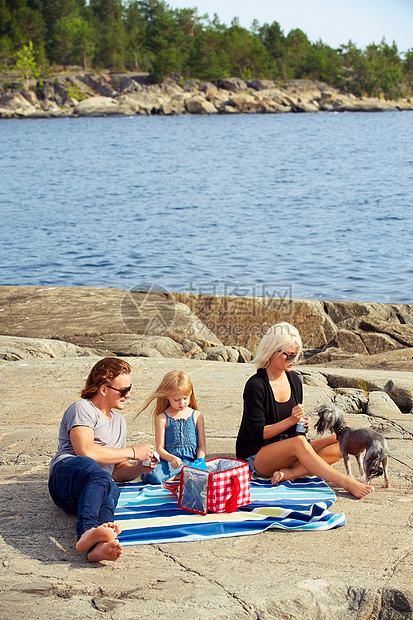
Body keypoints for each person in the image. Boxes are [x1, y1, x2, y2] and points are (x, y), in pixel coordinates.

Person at [236, 323, 374, 499]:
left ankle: (291, 474)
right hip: (257, 455)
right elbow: (256, 434)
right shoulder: (256, 385)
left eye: (296, 355)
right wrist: (291, 422)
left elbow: (293, 429)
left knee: (344, 439)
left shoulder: (294, 379)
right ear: (272, 351)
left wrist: (301, 424)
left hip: (288, 445)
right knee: (299, 443)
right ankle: (346, 482)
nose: (293, 360)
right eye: (289, 355)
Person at [48, 357, 156, 562]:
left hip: (88, 495)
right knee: (95, 471)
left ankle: (99, 547)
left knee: (111, 487)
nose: (128, 395)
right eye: (123, 390)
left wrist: (140, 468)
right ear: (103, 388)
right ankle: (87, 530)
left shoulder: (119, 422)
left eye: (129, 389)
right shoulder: (82, 408)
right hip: (65, 477)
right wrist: (133, 451)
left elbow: (116, 470)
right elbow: (85, 451)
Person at [135, 370, 206, 484]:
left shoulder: (197, 416)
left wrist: (200, 460)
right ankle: (181, 475)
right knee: (153, 476)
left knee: (204, 472)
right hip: (170, 463)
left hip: (191, 463)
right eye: (177, 399)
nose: (182, 403)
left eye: (185, 398)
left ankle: (179, 475)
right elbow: (160, 448)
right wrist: (172, 459)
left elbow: (201, 447)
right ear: (167, 396)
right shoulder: (163, 418)